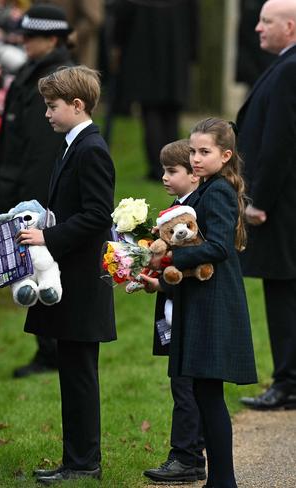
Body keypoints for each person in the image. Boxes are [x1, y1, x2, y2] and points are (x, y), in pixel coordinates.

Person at [141, 118, 257, 488]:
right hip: (201, 300)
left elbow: (220, 247)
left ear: (225, 155)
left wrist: (172, 259)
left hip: (215, 303)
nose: (195, 158)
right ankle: (220, 480)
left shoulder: (218, 190)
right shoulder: (207, 188)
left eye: (204, 152)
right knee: (204, 393)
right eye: (192, 151)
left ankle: (223, 481)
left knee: (209, 395)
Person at [17, 65, 115, 484]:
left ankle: (84, 462)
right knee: (71, 370)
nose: (47, 114)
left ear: (77, 105)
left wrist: (47, 236)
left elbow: (96, 214)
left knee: (79, 376)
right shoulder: (73, 144)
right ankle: (75, 459)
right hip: (67, 274)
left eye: (52, 106)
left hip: (80, 278)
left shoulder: (91, 148)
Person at [0, 4, 74, 379]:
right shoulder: (34, 72)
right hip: (15, 182)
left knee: (42, 269)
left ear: (52, 39)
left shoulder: (52, 78)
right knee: (33, 270)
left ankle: (51, 351)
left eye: (31, 37)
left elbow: (41, 146)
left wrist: (28, 203)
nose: (24, 41)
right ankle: (48, 349)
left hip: (32, 192)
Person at [237, 0, 296, 411]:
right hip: (284, 201)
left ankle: (288, 382)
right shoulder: (285, 65)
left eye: (266, 21)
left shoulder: (291, 69)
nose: (257, 28)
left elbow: (279, 142)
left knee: (283, 289)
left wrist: (257, 200)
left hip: (282, 205)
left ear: (290, 27)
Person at [142, 140, 206, 483]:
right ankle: (191, 451)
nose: (165, 177)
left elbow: (191, 267)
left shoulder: (191, 216)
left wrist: (163, 283)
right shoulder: (177, 209)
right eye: (163, 170)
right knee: (182, 384)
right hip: (174, 309)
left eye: (172, 171)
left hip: (188, 313)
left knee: (185, 387)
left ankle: (186, 457)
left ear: (193, 176)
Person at [111, 0, 198, 180]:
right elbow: (194, 24)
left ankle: (159, 168)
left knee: (151, 112)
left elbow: (122, 20)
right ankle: (176, 165)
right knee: (170, 113)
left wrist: (118, 47)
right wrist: (191, 54)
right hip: (175, 53)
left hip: (144, 54)